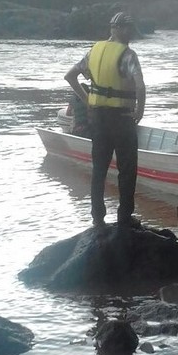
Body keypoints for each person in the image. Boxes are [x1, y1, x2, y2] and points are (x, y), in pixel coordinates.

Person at [64, 12, 147, 227]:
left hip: (98, 118)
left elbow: (70, 76)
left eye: (131, 29)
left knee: (99, 168)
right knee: (127, 169)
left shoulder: (94, 51)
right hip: (121, 118)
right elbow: (139, 85)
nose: (130, 33)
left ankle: (97, 217)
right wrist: (140, 110)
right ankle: (124, 217)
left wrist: (88, 100)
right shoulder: (128, 55)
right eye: (127, 29)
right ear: (116, 29)